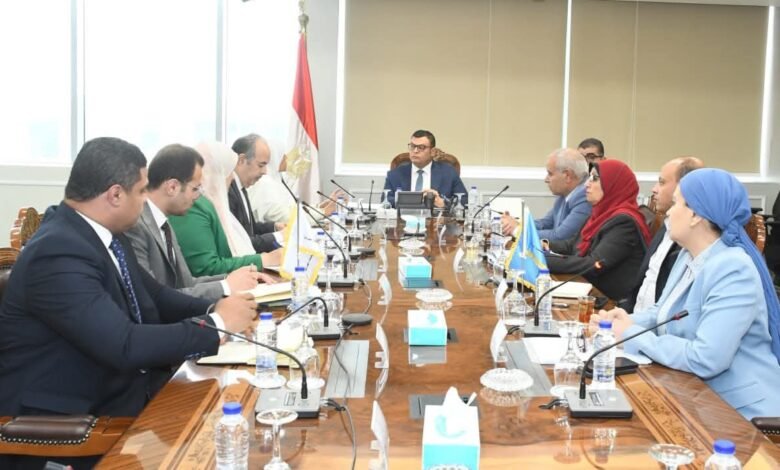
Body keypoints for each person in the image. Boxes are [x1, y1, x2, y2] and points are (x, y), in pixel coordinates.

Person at [0, 137, 257, 468]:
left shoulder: (103, 234)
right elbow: (123, 344)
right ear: (115, 195)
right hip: (72, 422)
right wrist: (218, 326)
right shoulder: (56, 252)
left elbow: (157, 297)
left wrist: (219, 308)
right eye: (141, 191)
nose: (146, 200)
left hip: (122, 390)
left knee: (235, 408)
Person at [593, 168, 780, 420]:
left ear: (695, 215)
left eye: (677, 203)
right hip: (692, 394)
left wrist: (630, 334)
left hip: (739, 413)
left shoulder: (733, 269)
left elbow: (707, 358)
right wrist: (618, 322)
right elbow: (662, 313)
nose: (669, 212)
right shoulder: (687, 255)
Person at [126, 143, 275, 301]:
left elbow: (187, 282)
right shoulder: (136, 226)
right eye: (195, 189)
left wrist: (235, 279)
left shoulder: (163, 221)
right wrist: (226, 286)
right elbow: (156, 299)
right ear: (172, 187)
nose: (198, 196)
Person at [169, 142, 283, 277]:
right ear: (217, 174)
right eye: (229, 172)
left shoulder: (210, 204)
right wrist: (263, 259)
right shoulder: (193, 206)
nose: (232, 178)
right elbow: (206, 267)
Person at [545, 159, 650, 300]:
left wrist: (544, 261)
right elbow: (572, 245)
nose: (586, 184)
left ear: (612, 185)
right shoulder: (600, 213)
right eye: (589, 177)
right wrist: (542, 244)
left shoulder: (624, 222)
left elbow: (594, 264)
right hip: (591, 289)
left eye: (594, 178)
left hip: (609, 301)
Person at [621, 156, 704, 311]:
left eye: (662, 182)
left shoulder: (692, 242)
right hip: (638, 317)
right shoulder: (666, 225)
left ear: (684, 186)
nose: (654, 189)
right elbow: (645, 282)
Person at [501, 148, 591, 241]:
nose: (546, 179)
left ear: (567, 175)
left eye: (550, 174)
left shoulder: (584, 197)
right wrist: (517, 224)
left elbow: (559, 236)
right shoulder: (565, 194)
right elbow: (545, 223)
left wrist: (517, 230)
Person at [229, 134, 285, 253]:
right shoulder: (228, 191)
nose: (265, 172)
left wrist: (274, 227)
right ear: (241, 160)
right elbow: (239, 243)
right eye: (261, 165)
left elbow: (249, 228)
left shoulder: (241, 187)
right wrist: (278, 237)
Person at [382, 129, 467, 208]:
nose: (415, 151)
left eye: (421, 147)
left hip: (436, 218)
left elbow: (464, 200)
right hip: (404, 218)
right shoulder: (395, 174)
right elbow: (385, 202)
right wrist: (411, 201)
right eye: (412, 146)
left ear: (432, 151)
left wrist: (444, 203)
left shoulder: (448, 172)